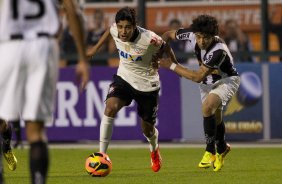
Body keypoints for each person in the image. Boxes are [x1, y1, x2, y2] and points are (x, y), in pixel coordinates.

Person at [0, 0, 90, 183]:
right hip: (43, 48)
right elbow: (72, 11)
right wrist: (82, 58)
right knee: (36, 132)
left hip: (9, 46)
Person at [87, 7, 171, 172]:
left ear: (135, 26)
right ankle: (101, 155)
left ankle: (154, 149)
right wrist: (95, 48)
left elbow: (166, 48)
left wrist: (171, 64)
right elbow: (109, 32)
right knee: (110, 107)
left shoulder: (150, 39)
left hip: (147, 85)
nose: (123, 31)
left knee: (147, 130)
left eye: (127, 27)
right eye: (120, 27)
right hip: (124, 78)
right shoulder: (115, 30)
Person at [159, 14, 240, 171]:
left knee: (207, 107)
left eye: (206, 38)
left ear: (213, 36)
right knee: (216, 117)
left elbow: (197, 76)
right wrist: (163, 50)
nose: (201, 41)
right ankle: (222, 147)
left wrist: (171, 65)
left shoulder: (219, 51)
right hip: (207, 82)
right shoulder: (191, 34)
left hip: (226, 80)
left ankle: (210, 151)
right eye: (199, 37)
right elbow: (167, 34)